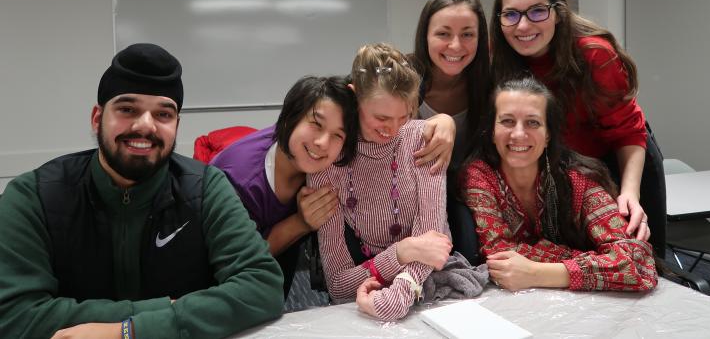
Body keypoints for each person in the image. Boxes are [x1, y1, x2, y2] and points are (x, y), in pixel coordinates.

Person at [0, 44, 284, 339]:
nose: (145, 125)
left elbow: (262, 286)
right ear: (97, 118)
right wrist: (171, 311)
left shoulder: (206, 188)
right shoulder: (34, 196)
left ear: (176, 125)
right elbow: (13, 316)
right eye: (127, 109)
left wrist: (129, 331)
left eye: (163, 114)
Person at [490, 0, 666, 256]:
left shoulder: (594, 55)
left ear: (558, 13)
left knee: (640, 257)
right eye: (511, 14)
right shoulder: (500, 59)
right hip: (566, 169)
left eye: (537, 11)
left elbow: (628, 133)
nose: (523, 25)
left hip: (620, 160)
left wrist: (629, 193)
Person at [461, 76, 658, 292]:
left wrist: (537, 273)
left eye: (533, 122)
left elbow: (637, 264)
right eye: (507, 121)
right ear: (492, 132)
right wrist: (600, 261)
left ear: (548, 135)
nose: (518, 133)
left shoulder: (578, 179)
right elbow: (498, 254)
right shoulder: (479, 176)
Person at [309, 43, 452, 321]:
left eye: (404, 116)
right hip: (369, 285)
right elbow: (338, 285)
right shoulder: (329, 162)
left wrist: (400, 291)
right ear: (355, 98)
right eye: (381, 118)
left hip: (425, 280)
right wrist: (401, 252)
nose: (394, 129)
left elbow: (432, 245)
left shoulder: (424, 139)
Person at [210, 75, 358, 296]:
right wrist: (300, 223)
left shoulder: (314, 156)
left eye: (338, 135)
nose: (323, 143)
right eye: (316, 124)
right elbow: (235, 259)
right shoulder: (237, 181)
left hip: (278, 274)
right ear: (290, 118)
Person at [410, 0, 492, 264]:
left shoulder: (489, 83)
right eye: (443, 33)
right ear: (426, 36)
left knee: (470, 254)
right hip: (407, 196)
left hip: (464, 193)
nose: (456, 46)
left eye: (467, 34)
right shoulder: (401, 78)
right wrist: (440, 121)